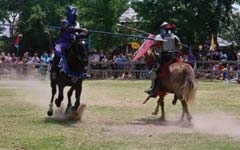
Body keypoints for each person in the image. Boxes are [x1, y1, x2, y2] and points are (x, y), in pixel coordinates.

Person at [51, 5, 89, 80]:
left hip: (71, 42)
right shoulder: (64, 22)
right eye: (73, 15)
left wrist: (86, 33)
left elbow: (79, 35)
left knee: (81, 51)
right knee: (57, 54)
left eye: (75, 15)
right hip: (60, 43)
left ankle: (83, 71)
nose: (74, 16)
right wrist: (81, 30)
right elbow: (69, 29)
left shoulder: (77, 24)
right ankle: (54, 71)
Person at [145, 21, 182, 97]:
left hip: (164, 58)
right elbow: (180, 47)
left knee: (153, 72)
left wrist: (156, 40)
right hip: (174, 57)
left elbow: (153, 45)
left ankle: (153, 89)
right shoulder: (175, 37)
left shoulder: (160, 36)